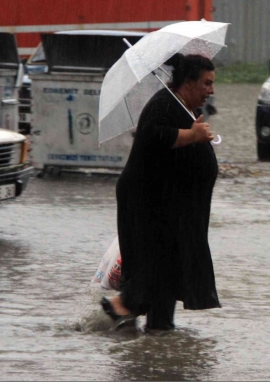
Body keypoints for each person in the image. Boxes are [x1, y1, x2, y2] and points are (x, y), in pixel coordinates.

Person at [101, 53, 221, 331]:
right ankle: (124, 306)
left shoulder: (180, 107)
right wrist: (193, 136)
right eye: (207, 83)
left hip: (170, 203)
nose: (211, 90)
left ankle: (159, 333)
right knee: (157, 260)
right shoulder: (163, 105)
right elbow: (153, 136)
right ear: (189, 82)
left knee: (170, 268)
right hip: (147, 202)